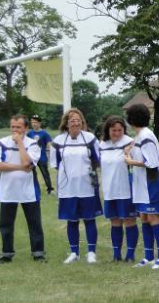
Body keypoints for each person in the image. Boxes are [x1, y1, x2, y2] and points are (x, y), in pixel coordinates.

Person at [51, 108, 102, 264]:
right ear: (66, 123)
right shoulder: (58, 141)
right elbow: (55, 164)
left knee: (89, 219)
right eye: (72, 120)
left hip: (87, 185)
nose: (75, 122)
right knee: (72, 220)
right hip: (68, 187)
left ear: (83, 122)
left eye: (78, 120)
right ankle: (74, 252)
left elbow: (98, 160)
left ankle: (91, 252)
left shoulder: (90, 138)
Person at [124, 104, 159, 269]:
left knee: (153, 218)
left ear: (132, 119)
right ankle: (149, 256)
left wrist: (131, 162)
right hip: (141, 185)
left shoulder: (146, 136)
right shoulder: (137, 137)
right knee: (144, 217)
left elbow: (152, 162)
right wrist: (128, 152)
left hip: (152, 185)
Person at [0, 114, 45, 262]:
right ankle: (7, 254)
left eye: (19, 127)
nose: (15, 130)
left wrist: (20, 144)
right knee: (6, 224)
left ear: (26, 128)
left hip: (28, 190)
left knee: (34, 223)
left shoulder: (33, 144)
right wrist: (20, 167)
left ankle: (38, 253)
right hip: (8, 190)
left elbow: (29, 165)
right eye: (13, 127)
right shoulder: (2, 142)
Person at [99, 115, 139, 262]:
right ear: (108, 130)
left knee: (129, 220)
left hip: (126, 190)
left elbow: (138, 163)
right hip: (110, 190)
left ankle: (130, 254)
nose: (116, 133)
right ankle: (116, 254)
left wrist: (128, 153)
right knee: (115, 221)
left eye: (120, 130)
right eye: (113, 130)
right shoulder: (102, 145)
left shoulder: (130, 143)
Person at [28, 114, 54, 194]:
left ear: (40, 123)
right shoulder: (29, 133)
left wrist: (48, 151)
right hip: (32, 157)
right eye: (32, 122)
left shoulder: (44, 134)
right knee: (32, 174)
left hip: (42, 157)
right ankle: (35, 188)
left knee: (45, 174)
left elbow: (48, 144)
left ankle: (49, 188)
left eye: (35, 122)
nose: (34, 124)